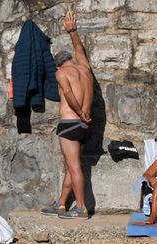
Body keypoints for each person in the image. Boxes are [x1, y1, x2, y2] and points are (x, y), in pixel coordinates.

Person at [40, 11, 93, 219]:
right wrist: (72, 31)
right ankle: (61, 204)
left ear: (58, 64)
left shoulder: (61, 72)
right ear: (71, 58)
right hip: (84, 126)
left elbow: (69, 94)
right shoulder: (85, 68)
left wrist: (79, 112)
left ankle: (81, 208)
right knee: (71, 166)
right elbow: (80, 48)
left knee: (74, 166)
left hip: (71, 122)